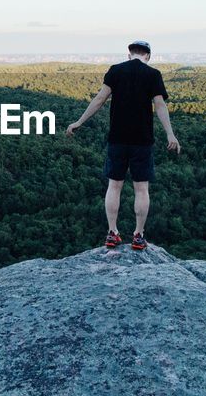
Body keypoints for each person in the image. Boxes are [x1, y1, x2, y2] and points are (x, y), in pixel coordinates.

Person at [65, 40, 180, 250]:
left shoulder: (115, 71)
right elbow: (160, 105)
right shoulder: (153, 74)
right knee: (142, 189)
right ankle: (138, 235)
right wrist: (170, 134)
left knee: (114, 186)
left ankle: (112, 233)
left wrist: (79, 122)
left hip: (117, 138)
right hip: (142, 140)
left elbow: (99, 99)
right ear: (148, 56)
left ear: (129, 54)